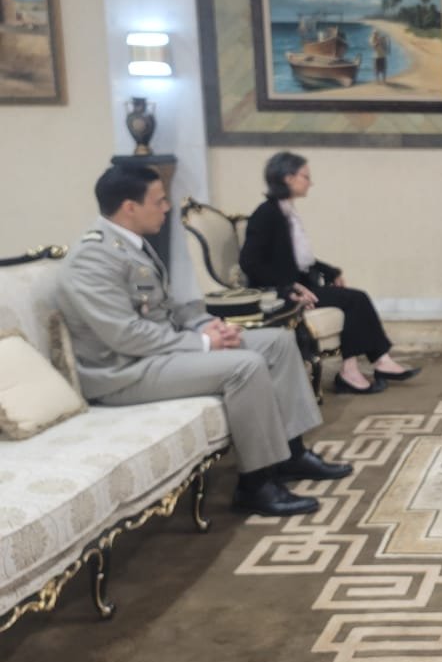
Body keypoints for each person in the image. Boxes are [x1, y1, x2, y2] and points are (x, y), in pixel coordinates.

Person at [57, 164, 352, 518]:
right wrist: (204, 343)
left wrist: (209, 324)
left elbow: (170, 307)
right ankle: (256, 485)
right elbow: (125, 335)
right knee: (245, 366)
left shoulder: (131, 243)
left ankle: (292, 454)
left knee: (277, 341)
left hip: (157, 352)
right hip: (123, 371)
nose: (167, 208)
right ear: (129, 207)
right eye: (159, 201)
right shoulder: (93, 257)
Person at [239, 151, 419, 394]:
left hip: (298, 285)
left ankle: (366, 365)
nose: (310, 182)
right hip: (280, 293)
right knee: (355, 300)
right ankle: (361, 368)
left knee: (353, 298)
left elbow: (299, 260)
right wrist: (288, 286)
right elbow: (250, 263)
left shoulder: (285, 211)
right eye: (306, 176)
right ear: (288, 178)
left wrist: (330, 271)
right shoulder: (266, 214)